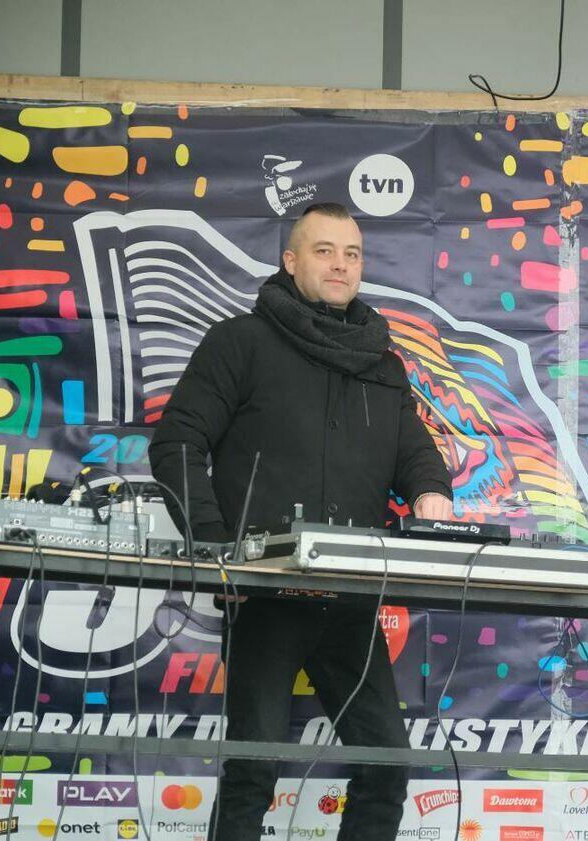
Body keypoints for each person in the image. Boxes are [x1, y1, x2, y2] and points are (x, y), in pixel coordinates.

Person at [150, 202, 453, 841]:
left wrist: (431, 490)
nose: (341, 265)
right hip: (265, 595)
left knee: (387, 766)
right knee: (253, 770)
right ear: (290, 261)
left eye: (352, 254)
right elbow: (177, 442)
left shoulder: (383, 364)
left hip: (351, 600)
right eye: (324, 251)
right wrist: (215, 547)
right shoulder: (240, 342)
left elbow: (415, 453)